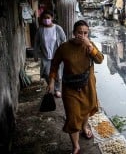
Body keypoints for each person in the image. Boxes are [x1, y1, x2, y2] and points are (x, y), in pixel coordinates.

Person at [47, 20, 104, 154]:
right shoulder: (64, 47)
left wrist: (90, 46)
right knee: (73, 116)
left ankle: (84, 128)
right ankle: (76, 146)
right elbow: (54, 65)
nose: (82, 35)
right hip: (70, 88)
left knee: (86, 109)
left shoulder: (89, 45)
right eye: (79, 32)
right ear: (74, 33)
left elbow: (100, 60)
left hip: (88, 86)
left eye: (85, 33)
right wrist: (51, 82)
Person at [34, 10, 66, 98]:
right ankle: (50, 86)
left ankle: (57, 89)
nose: (46, 19)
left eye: (48, 18)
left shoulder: (57, 28)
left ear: (52, 18)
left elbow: (64, 40)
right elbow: (36, 43)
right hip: (45, 55)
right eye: (44, 18)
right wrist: (35, 54)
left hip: (57, 55)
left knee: (58, 74)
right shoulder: (40, 29)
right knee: (47, 73)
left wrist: (64, 52)